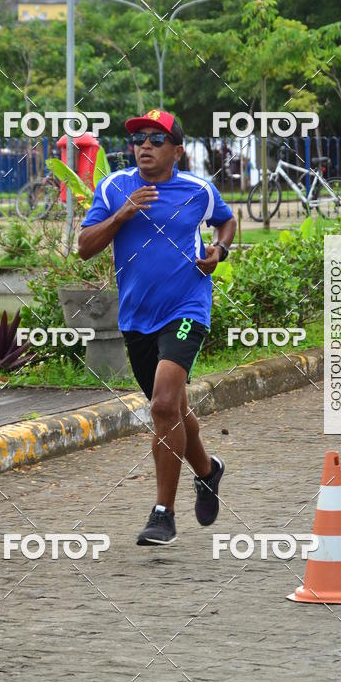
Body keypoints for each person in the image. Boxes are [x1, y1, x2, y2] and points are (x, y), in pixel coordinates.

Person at [78, 109, 236, 546]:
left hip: (187, 307)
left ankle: (163, 513)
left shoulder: (197, 190)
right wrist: (121, 217)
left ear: (177, 150)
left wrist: (218, 251)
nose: (144, 145)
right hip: (136, 317)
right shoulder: (114, 188)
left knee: (164, 405)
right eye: (138, 139)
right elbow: (84, 248)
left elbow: (227, 220)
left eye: (156, 139)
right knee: (174, 411)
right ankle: (207, 471)